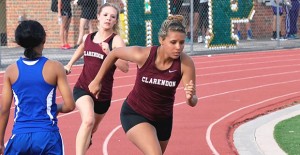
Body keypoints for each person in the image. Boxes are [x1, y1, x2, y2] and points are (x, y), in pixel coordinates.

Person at [88, 15, 198, 154]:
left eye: (182, 43)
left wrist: (190, 98)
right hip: (135, 113)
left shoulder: (186, 64)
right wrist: (97, 80)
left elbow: (193, 101)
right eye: (173, 42)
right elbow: (114, 53)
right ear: (162, 40)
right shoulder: (143, 55)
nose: (178, 47)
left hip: (164, 120)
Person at [0, 20, 75, 155]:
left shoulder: (11, 71)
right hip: (47, 137)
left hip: (20, 137)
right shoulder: (55, 67)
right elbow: (70, 105)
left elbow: (4, 110)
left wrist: (0, 142)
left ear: (20, 42)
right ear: (44, 39)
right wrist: (54, 108)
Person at [64, 3, 129, 155]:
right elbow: (82, 48)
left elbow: (125, 68)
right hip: (83, 88)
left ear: (115, 22)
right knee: (88, 120)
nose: (108, 18)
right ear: (98, 17)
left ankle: (89, 136)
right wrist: (69, 64)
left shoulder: (116, 41)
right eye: (105, 15)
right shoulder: (89, 37)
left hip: (103, 94)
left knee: (91, 128)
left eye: (112, 17)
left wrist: (110, 53)